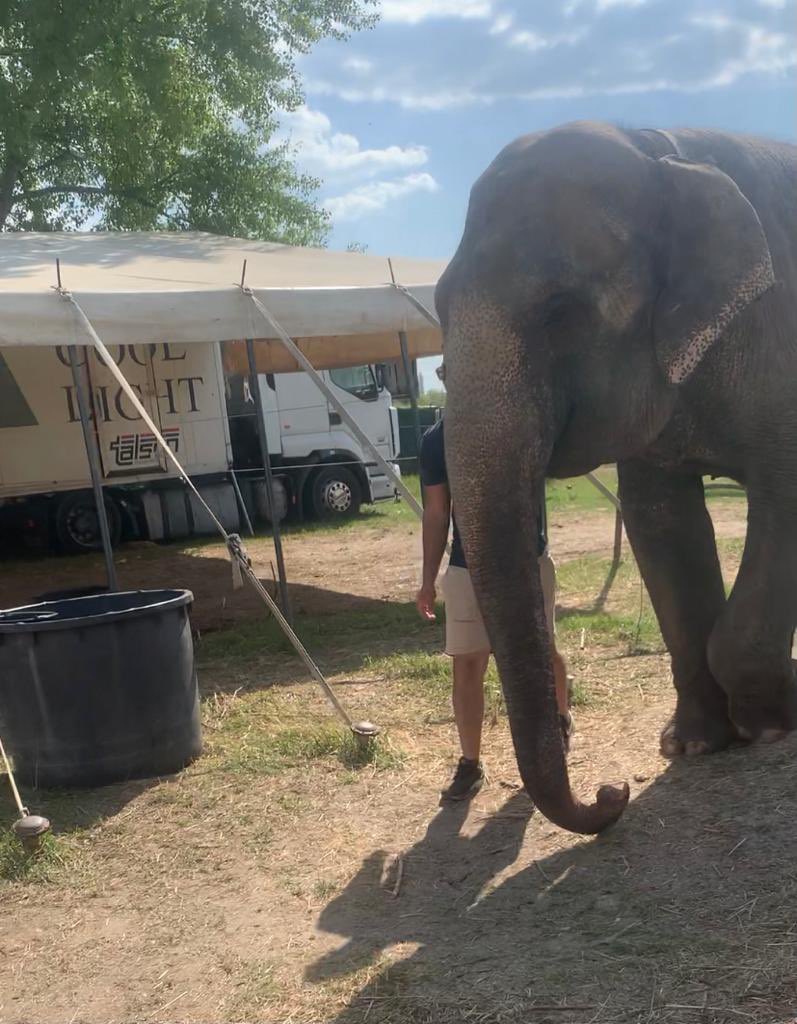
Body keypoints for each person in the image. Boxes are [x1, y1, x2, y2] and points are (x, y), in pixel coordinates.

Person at [416, 414, 572, 802]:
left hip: (527, 562)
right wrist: (427, 579)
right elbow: (437, 513)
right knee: (467, 664)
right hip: (469, 567)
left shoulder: (517, 417)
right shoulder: (437, 439)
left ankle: (560, 724)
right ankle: (470, 764)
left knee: (543, 654)